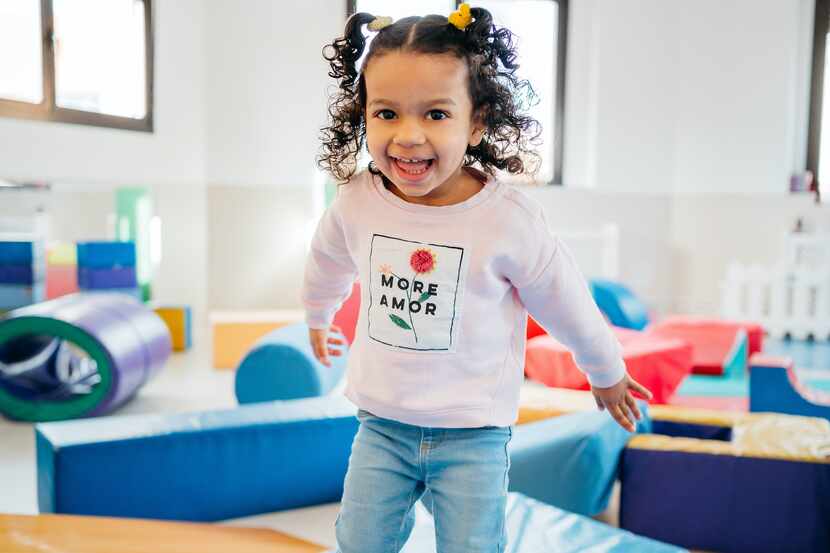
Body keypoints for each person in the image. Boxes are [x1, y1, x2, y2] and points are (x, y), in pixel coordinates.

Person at [302, 5, 653, 552]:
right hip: (381, 427)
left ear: (478, 120)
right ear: (362, 116)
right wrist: (317, 315)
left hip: (474, 435)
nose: (408, 136)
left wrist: (605, 370)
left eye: (436, 115)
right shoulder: (357, 204)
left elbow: (567, 302)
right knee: (359, 541)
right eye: (386, 113)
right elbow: (327, 260)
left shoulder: (506, 220)